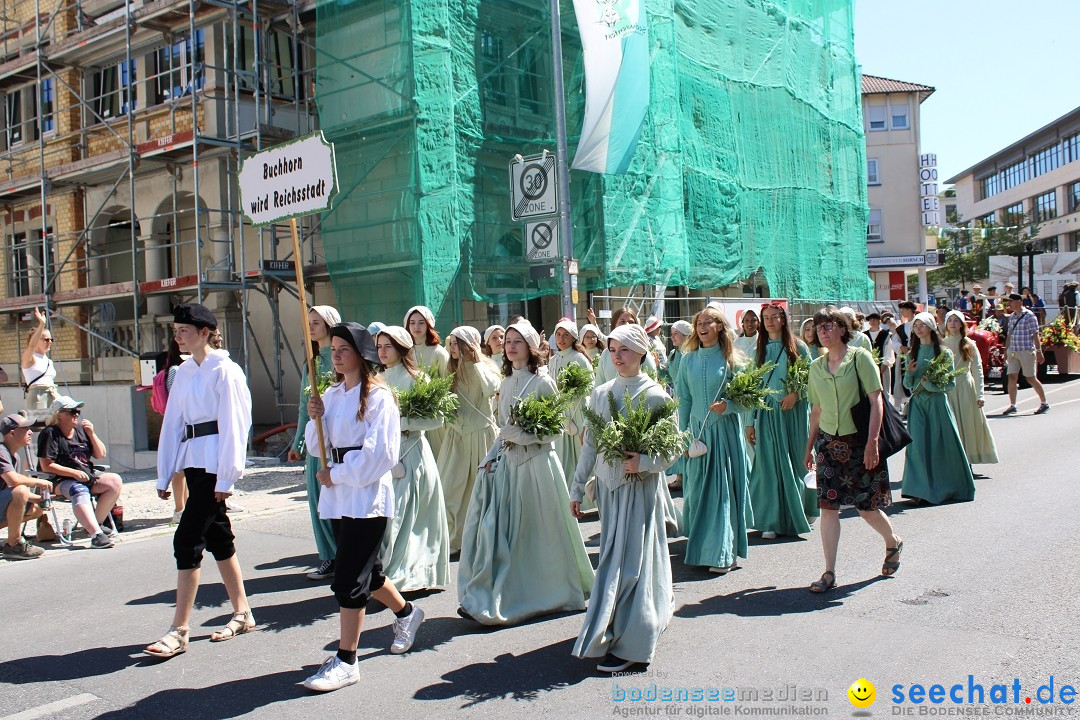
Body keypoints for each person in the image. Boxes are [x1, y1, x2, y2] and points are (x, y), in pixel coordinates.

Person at [302, 322, 425, 691]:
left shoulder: (378, 397)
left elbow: (380, 456)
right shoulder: (333, 394)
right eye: (333, 349)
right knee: (366, 574)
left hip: (367, 497)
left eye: (343, 349)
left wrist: (337, 474)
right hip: (339, 495)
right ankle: (407, 612)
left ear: (361, 354)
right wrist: (315, 417)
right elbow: (315, 446)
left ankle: (346, 659)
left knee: (348, 579)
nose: (335, 355)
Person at [458, 321, 594, 625]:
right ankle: (512, 589)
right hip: (511, 466)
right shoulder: (505, 384)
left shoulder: (543, 382)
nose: (510, 346)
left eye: (518, 341)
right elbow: (504, 431)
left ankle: (553, 590)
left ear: (530, 347)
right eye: (507, 341)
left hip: (538, 466)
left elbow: (555, 430)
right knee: (513, 534)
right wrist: (491, 457)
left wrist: (523, 436)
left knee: (541, 533)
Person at [145, 304, 255, 658]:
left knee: (187, 538)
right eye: (175, 330)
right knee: (217, 535)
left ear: (205, 332)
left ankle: (179, 630)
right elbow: (173, 424)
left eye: (183, 330)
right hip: (194, 461)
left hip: (214, 464)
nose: (177, 337)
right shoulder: (183, 372)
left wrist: (228, 476)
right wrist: (165, 472)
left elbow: (236, 425)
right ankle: (243, 612)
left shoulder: (226, 371)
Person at [569, 324, 675, 674]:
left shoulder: (656, 395)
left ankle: (635, 642)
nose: (617, 355)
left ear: (642, 353)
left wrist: (643, 462)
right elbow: (590, 445)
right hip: (610, 495)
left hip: (639, 492)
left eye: (625, 349)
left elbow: (672, 448)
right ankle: (612, 626)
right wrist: (577, 487)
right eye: (612, 349)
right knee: (616, 563)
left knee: (633, 565)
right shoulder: (601, 393)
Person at [803, 307, 901, 593]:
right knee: (828, 508)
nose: (822, 330)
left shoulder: (860, 358)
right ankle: (829, 572)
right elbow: (816, 410)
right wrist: (808, 447)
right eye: (818, 326)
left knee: (867, 509)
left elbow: (876, 401)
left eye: (828, 325)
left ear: (843, 329)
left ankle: (892, 542)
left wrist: (872, 443)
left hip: (859, 443)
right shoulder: (816, 367)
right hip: (828, 445)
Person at [675, 306, 752, 574]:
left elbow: (748, 400)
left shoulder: (733, 359)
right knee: (697, 491)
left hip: (724, 432)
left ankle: (724, 552)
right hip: (697, 432)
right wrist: (682, 436)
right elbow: (683, 400)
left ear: (720, 326)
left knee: (722, 493)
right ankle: (704, 547)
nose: (703, 326)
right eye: (699, 323)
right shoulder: (687, 359)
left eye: (709, 322)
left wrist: (728, 406)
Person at [376, 326, 450, 591]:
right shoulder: (376, 380)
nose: (382, 352)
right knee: (387, 515)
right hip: (384, 455)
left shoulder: (418, 379)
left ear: (401, 348)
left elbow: (436, 419)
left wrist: (401, 421)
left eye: (388, 346)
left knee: (409, 516)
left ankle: (414, 572)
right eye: (379, 347)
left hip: (412, 451)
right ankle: (388, 566)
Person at [746, 305, 816, 539]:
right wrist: (750, 421)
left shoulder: (799, 348)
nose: (769, 321)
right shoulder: (760, 351)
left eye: (774, 317)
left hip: (792, 414)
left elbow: (811, 380)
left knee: (796, 461)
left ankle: (802, 510)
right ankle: (771, 519)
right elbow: (753, 387)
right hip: (767, 413)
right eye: (765, 318)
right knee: (768, 465)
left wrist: (796, 393)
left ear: (784, 320)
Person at [287, 305, 342, 580]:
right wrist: (297, 444)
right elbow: (302, 406)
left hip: (340, 439)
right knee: (318, 500)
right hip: (315, 439)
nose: (311, 327)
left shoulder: (342, 358)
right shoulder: (311, 360)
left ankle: (346, 554)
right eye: (309, 322)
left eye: (316, 322)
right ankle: (329, 556)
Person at [900, 313, 976, 505]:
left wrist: (930, 386)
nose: (918, 328)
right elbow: (907, 383)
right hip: (918, 404)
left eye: (922, 324)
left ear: (932, 327)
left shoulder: (944, 353)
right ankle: (918, 490)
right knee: (916, 446)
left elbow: (950, 383)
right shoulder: (912, 354)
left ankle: (947, 486)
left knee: (939, 445)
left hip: (937, 404)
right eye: (915, 325)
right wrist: (909, 373)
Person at [437, 326, 501, 552]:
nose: (452, 348)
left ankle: (477, 537)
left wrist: (476, 361)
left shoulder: (487, 367)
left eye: (457, 343)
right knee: (450, 487)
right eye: (451, 343)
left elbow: (491, 389)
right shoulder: (450, 369)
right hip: (456, 435)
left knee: (478, 487)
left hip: (480, 434)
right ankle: (453, 537)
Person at [37, 396, 122, 548]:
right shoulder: (50, 433)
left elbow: (101, 455)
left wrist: (92, 434)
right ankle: (96, 535)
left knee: (114, 481)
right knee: (78, 489)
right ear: (59, 415)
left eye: (77, 411)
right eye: (72, 411)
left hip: (86, 476)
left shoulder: (81, 431)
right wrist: (74, 473)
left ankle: (95, 524)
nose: (76, 414)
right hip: (59, 480)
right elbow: (46, 465)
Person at [942, 311, 998, 466]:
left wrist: (980, 394)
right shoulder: (941, 344)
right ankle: (954, 461)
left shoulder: (969, 343)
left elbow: (977, 369)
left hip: (966, 387)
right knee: (952, 425)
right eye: (950, 320)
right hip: (948, 389)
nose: (952, 323)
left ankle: (968, 461)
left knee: (967, 424)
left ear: (961, 324)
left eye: (956, 320)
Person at [549, 320, 594, 497]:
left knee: (581, 455)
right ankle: (568, 496)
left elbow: (590, 387)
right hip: (562, 413)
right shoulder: (553, 360)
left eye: (566, 334)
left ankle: (589, 496)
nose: (561, 338)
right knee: (564, 457)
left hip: (578, 411)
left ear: (574, 336)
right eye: (558, 334)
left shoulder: (579, 358)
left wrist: (585, 421)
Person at [0, 414, 50, 560]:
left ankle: (12, 540)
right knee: (21, 490)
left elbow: (11, 492)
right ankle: (14, 545)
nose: (30, 432)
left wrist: (40, 499)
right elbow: (14, 481)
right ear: (12, 433)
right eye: (25, 428)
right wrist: (39, 482)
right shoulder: (1, 451)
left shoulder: (14, 456)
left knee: (37, 508)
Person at [404, 306, 451, 459]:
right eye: (412, 323)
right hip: (410, 419)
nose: (416, 327)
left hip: (433, 418)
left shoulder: (439, 353)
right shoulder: (404, 352)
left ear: (429, 324)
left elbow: (446, 384)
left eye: (421, 323)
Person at [1001, 293, 1049, 416]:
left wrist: (1039, 352)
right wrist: (1006, 351)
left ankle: (1044, 403)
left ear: (1019, 302)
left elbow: (1035, 334)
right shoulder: (1011, 317)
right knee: (1011, 376)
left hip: (1026, 350)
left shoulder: (1029, 316)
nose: (1009, 304)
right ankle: (1013, 405)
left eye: (1011, 301)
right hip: (1013, 350)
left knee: (1030, 378)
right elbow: (1009, 335)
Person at [160, 339, 189, 525]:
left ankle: (186, 506)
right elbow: (174, 398)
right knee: (179, 467)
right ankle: (179, 508)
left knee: (187, 468)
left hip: (189, 423)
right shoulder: (176, 370)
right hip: (181, 423)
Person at [594, 308, 658, 385]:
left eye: (631, 322)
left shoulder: (641, 351)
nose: (627, 325)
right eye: (622, 322)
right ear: (614, 325)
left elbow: (652, 380)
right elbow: (599, 384)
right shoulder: (606, 354)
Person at [21, 308, 61, 414]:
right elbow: (32, 346)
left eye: (50, 339)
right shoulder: (30, 357)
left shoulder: (49, 361)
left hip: (52, 394)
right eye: (46, 340)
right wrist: (41, 325)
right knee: (40, 426)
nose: (49, 342)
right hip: (38, 396)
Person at [864, 312, 895, 395]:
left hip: (883, 366)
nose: (872, 321)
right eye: (871, 320)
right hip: (868, 366)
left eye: (875, 319)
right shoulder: (864, 335)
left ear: (879, 321)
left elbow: (889, 349)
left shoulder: (886, 335)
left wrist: (885, 363)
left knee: (884, 389)